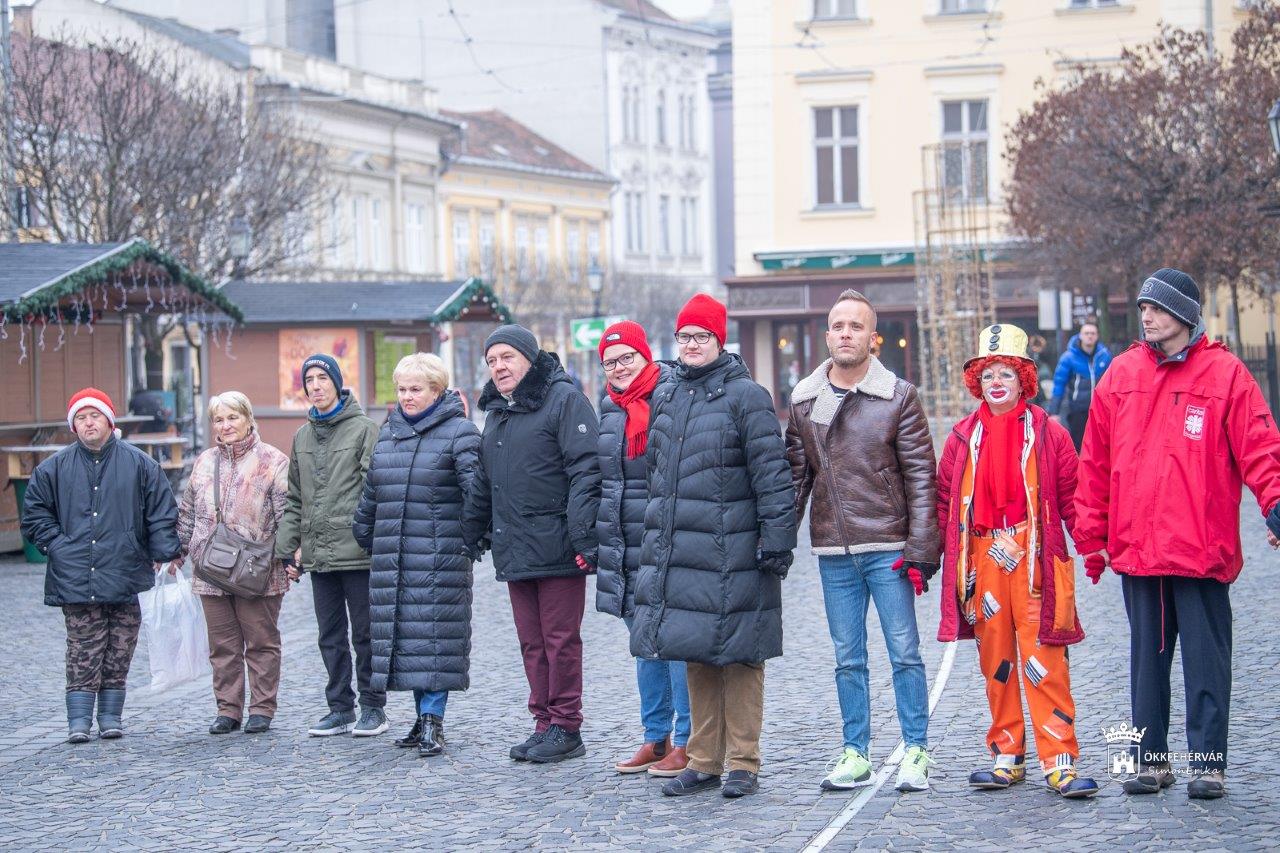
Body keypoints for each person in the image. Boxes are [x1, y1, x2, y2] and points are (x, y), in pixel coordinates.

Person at [1075, 269, 1280, 800]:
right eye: (1144, 307)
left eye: (1159, 308)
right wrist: (1091, 536)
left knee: (1207, 661)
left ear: (1186, 315)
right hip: (1139, 550)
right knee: (1147, 663)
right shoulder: (1119, 375)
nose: (1147, 316)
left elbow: (1260, 446)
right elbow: (1095, 464)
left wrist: (1276, 504)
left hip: (1201, 548)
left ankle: (1209, 764)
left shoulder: (1227, 374)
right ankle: (1152, 761)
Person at [631, 294, 798, 800]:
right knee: (696, 653)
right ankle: (703, 759)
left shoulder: (748, 395)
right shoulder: (667, 394)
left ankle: (743, 762)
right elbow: (658, 477)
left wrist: (778, 541)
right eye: (684, 337)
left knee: (743, 658)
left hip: (739, 547)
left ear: (718, 340)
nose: (691, 345)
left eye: (701, 336)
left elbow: (773, 476)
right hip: (684, 548)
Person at [784, 289, 940, 794]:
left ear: (872, 338)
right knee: (847, 657)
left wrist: (921, 550)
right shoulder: (804, 400)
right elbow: (795, 478)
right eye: (837, 326)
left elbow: (921, 477)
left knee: (904, 653)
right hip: (833, 551)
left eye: (855, 326)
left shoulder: (898, 396)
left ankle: (916, 749)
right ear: (827, 335)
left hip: (889, 546)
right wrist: (775, 541)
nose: (845, 333)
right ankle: (857, 752)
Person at [936, 324, 1099, 799]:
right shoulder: (962, 437)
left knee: (1044, 660)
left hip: (1034, 560)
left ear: (1024, 378)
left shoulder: (1050, 433)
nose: (997, 383)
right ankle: (1007, 753)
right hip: (982, 559)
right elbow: (945, 502)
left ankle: (1060, 761)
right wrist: (924, 559)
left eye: (1006, 372)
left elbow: (1073, 496)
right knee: (997, 662)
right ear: (978, 384)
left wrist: (1091, 546)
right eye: (988, 376)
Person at [466, 325, 601, 764]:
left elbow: (585, 469)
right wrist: (472, 533)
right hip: (515, 543)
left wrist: (582, 533)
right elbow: (486, 480)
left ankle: (566, 725)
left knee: (560, 639)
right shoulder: (498, 413)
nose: (498, 367)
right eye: (491, 361)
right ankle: (543, 723)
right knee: (531, 641)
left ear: (528, 357)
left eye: (506, 357)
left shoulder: (563, 399)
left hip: (558, 543)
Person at [22, 388, 181, 743]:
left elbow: (160, 512)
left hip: (126, 572)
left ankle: (111, 716)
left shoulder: (140, 464)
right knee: (83, 649)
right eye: (81, 417)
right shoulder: (54, 469)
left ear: (109, 420)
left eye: (95, 415)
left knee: (120, 649)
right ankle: (78, 720)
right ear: (73, 426)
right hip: (77, 576)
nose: (88, 422)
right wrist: (58, 547)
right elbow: (34, 514)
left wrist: (165, 551)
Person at [352, 353, 484, 758]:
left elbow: (475, 492)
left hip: (439, 556)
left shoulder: (460, 433)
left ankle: (433, 719)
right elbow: (373, 489)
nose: (407, 397)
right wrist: (363, 528)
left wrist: (466, 538)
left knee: (434, 637)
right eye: (403, 389)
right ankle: (420, 717)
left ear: (437, 391)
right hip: (393, 554)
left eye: (416, 389)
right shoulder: (388, 433)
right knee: (406, 640)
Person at [594, 321, 691, 778]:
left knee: (673, 643)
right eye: (610, 363)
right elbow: (604, 483)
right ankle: (656, 737)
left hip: (667, 540)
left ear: (645, 355)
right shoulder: (609, 411)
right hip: (626, 544)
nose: (619, 369)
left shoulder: (671, 395)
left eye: (626, 358)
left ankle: (688, 740)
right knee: (644, 645)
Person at [274, 354, 384, 737]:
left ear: (338, 382)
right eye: (310, 379)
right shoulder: (302, 436)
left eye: (323, 377)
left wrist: (365, 535)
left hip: (357, 553)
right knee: (330, 636)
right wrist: (289, 549)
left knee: (366, 634)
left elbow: (374, 489)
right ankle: (340, 708)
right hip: (319, 557)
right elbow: (295, 498)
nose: (316, 385)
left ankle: (373, 706)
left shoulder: (364, 429)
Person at [173, 392, 290, 735]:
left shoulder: (273, 461)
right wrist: (179, 550)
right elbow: (189, 511)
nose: (226, 426)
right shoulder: (205, 461)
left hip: (258, 571)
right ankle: (228, 709)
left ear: (248, 418)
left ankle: (262, 708)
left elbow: (287, 516)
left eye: (232, 417)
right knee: (222, 646)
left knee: (261, 642)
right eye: (219, 420)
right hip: (210, 569)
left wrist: (289, 558)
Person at [1049, 321, 1112, 451]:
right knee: (1080, 448)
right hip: (1078, 410)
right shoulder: (1068, 357)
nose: (1089, 336)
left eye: (1093, 333)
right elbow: (1059, 384)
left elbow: (1113, 382)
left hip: (1101, 410)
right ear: (1080, 336)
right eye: (1086, 333)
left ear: (1097, 336)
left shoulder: (1105, 356)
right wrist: (1054, 412)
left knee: (1101, 448)